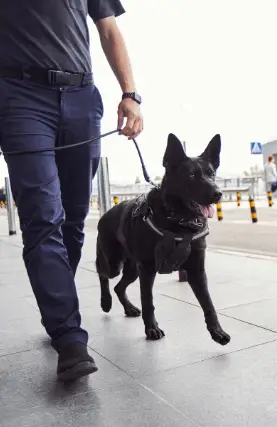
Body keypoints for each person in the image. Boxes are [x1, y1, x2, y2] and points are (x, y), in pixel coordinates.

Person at [0, 1, 143, 381]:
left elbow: (109, 29)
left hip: (81, 97)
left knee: (74, 219)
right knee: (43, 218)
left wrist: (131, 93)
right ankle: (68, 336)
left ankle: (58, 309)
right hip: (19, 99)